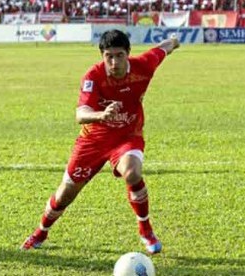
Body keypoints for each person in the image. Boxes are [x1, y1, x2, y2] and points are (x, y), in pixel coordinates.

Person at [20, 30, 180, 254]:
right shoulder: (93, 76)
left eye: (119, 55)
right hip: (93, 140)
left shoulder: (144, 65)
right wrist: (101, 115)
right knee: (66, 192)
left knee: (133, 173)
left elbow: (163, 49)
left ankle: (145, 229)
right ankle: (41, 231)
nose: (114, 62)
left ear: (128, 54)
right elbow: (80, 113)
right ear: (102, 56)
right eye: (108, 56)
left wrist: (174, 41)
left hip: (127, 136)